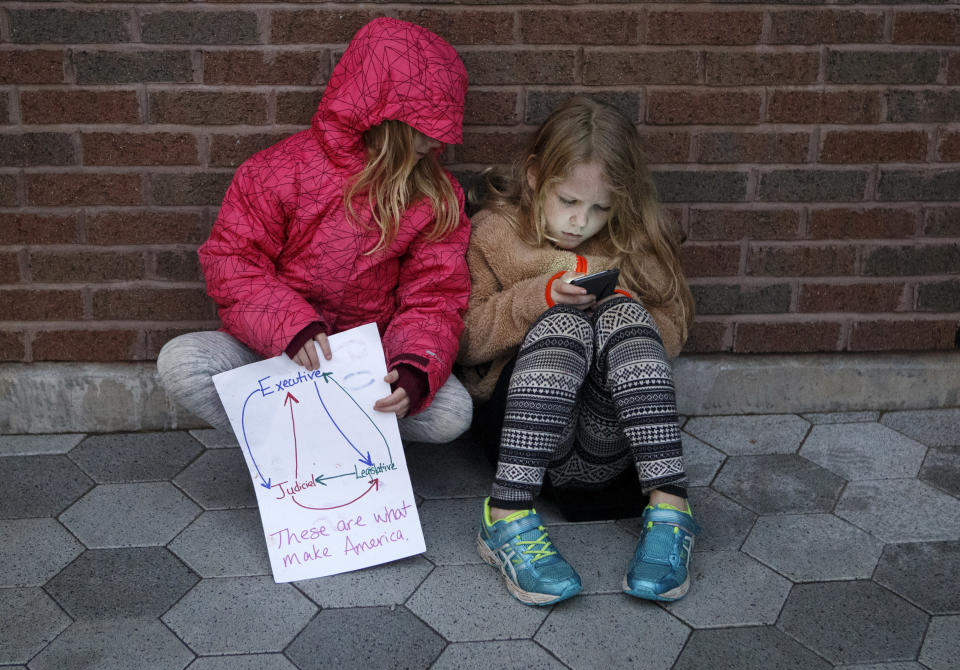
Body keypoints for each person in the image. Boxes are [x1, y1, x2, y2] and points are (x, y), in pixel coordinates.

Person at [157, 17, 473, 444]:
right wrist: (292, 327)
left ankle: (329, 446)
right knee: (183, 362)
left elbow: (435, 297)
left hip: (367, 364)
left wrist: (412, 368)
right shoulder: (277, 171)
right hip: (279, 350)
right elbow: (232, 262)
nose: (438, 143)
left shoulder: (436, 195)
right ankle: (297, 452)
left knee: (452, 412)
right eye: (426, 128)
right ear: (384, 115)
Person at [457, 96, 697, 606]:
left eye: (599, 209)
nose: (579, 222)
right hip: (521, 433)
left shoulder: (632, 242)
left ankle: (670, 510)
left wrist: (622, 307)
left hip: (608, 441)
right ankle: (506, 518)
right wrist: (539, 295)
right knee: (563, 321)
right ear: (534, 175)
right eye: (567, 201)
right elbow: (465, 338)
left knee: (623, 313)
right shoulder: (495, 233)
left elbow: (672, 332)